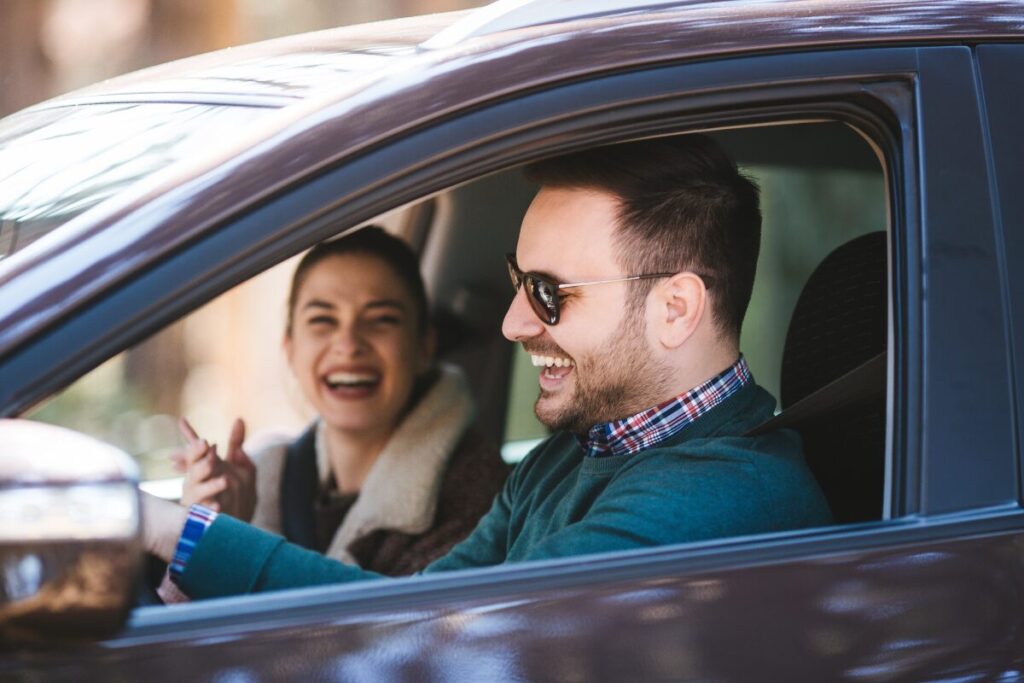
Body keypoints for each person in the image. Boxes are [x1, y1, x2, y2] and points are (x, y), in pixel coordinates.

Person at [142, 134, 832, 600]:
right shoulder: (569, 455)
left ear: (675, 308)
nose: (512, 322)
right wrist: (173, 528)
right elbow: (412, 609)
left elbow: (445, 640)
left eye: (548, 292)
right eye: (516, 280)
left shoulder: (720, 498)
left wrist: (159, 528)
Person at [169, 227, 509, 584]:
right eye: (322, 320)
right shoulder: (269, 475)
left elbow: (372, 635)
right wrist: (215, 528)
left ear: (423, 346)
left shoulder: (479, 496)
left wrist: (225, 551)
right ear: (290, 349)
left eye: (381, 320)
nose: (348, 344)